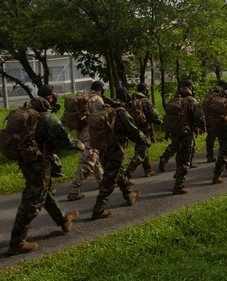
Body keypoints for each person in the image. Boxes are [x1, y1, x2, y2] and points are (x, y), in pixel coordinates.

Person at [7, 86, 82, 255]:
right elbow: (66, 140)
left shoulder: (29, 110)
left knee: (45, 192)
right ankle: (16, 242)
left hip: (27, 161)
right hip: (39, 163)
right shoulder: (47, 117)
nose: (55, 99)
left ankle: (63, 220)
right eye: (54, 96)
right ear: (49, 97)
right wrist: (83, 146)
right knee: (32, 202)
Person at [91, 87, 151, 218]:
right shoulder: (120, 112)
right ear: (124, 97)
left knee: (119, 170)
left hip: (103, 147)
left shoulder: (105, 108)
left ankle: (128, 195)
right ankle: (99, 209)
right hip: (115, 149)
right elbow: (132, 130)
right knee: (110, 178)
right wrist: (145, 140)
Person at [67, 80, 105, 201]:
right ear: (100, 89)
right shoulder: (97, 99)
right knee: (88, 159)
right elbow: (102, 117)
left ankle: (102, 182)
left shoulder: (85, 96)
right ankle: (74, 190)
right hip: (91, 131)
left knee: (95, 158)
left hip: (81, 131)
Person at [167, 79, 204, 194]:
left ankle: (178, 177)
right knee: (185, 160)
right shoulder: (191, 100)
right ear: (190, 87)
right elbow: (199, 116)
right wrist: (202, 127)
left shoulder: (174, 99)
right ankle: (178, 186)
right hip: (186, 133)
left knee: (179, 156)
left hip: (175, 132)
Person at [125, 82, 162, 179]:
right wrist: (162, 122)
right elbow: (155, 117)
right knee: (141, 153)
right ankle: (127, 174)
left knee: (142, 149)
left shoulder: (130, 100)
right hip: (144, 130)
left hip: (133, 130)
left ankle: (148, 169)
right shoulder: (145, 101)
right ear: (145, 90)